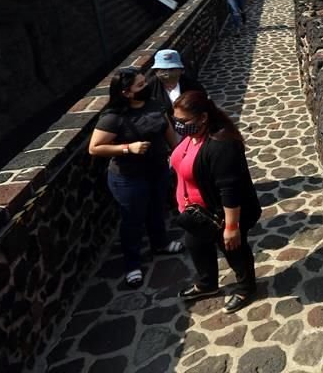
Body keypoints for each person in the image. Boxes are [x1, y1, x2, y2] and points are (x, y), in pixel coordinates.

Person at [89, 67, 183, 288]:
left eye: (144, 82)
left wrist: (179, 155)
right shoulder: (113, 118)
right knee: (132, 220)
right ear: (126, 92)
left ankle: (160, 244)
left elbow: (168, 131)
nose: (146, 86)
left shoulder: (154, 104)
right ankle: (132, 264)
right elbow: (94, 147)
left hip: (157, 170)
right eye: (140, 85)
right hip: (129, 178)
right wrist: (127, 148)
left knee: (156, 209)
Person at [171, 90, 262, 313]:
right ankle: (207, 284)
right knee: (195, 245)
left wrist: (231, 227)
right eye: (176, 120)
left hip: (219, 214)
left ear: (203, 117)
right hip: (196, 213)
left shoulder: (222, 145)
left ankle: (246, 287)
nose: (178, 125)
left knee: (233, 250)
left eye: (183, 121)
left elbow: (229, 189)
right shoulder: (193, 136)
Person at [146, 49, 206, 119]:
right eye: (163, 69)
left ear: (181, 70)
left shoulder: (193, 85)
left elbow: (204, 106)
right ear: (156, 71)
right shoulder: (149, 87)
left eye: (172, 69)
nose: (167, 73)